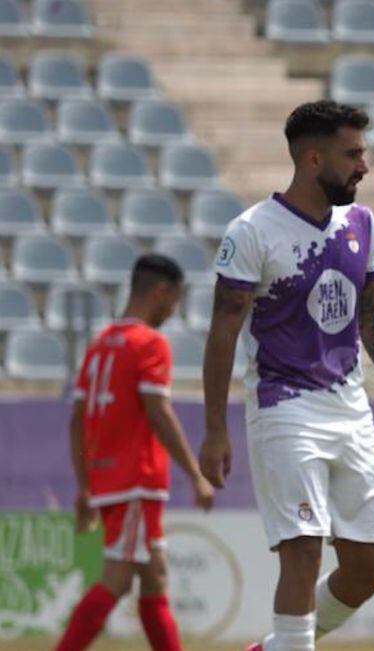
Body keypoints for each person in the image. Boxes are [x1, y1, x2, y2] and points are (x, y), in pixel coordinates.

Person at [199, 100, 374, 651]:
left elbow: (372, 317)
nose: (365, 166)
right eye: (353, 154)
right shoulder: (252, 231)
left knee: (369, 568)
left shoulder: (361, 223)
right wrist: (216, 429)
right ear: (313, 158)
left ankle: (275, 646)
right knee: (304, 549)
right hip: (284, 406)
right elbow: (223, 332)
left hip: (349, 406)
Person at [56, 254, 215, 651]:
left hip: (110, 480)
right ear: (160, 292)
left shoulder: (99, 346)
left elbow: (77, 420)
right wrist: (195, 474)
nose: (172, 312)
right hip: (135, 480)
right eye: (173, 301)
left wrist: (85, 486)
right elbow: (158, 412)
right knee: (118, 577)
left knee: (153, 577)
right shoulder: (149, 343)